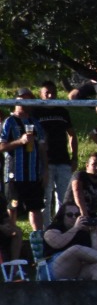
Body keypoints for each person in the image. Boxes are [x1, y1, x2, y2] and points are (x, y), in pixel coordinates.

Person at [1, 89, 48, 230]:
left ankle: (38, 240)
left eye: (28, 99)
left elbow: (42, 147)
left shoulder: (35, 122)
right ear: (16, 100)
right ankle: (10, 237)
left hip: (33, 174)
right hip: (14, 174)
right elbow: (1, 146)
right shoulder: (9, 121)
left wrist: (45, 170)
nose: (25, 102)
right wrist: (20, 141)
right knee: (12, 207)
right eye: (22, 98)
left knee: (35, 208)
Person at [42, 202, 97, 280]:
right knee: (76, 249)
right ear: (62, 216)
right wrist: (75, 228)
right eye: (70, 215)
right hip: (52, 269)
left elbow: (95, 254)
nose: (74, 218)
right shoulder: (54, 228)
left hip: (76, 269)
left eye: (77, 215)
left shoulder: (82, 232)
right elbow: (58, 243)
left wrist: (93, 233)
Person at [35, 82, 76, 217]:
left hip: (63, 160)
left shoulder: (62, 111)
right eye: (47, 93)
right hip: (44, 161)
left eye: (53, 92)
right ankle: (46, 231)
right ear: (41, 95)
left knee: (65, 198)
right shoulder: (36, 112)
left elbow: (72, 135)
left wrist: (74, 157)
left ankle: (60, 228)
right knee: (46, 198)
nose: (51, 95)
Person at [68, 152, 97, 246]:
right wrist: (85, 216)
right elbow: (78, 193)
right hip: (73, 214)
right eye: (94, 164)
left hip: (93, 218)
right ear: (87, 166)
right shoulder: (80, 175)